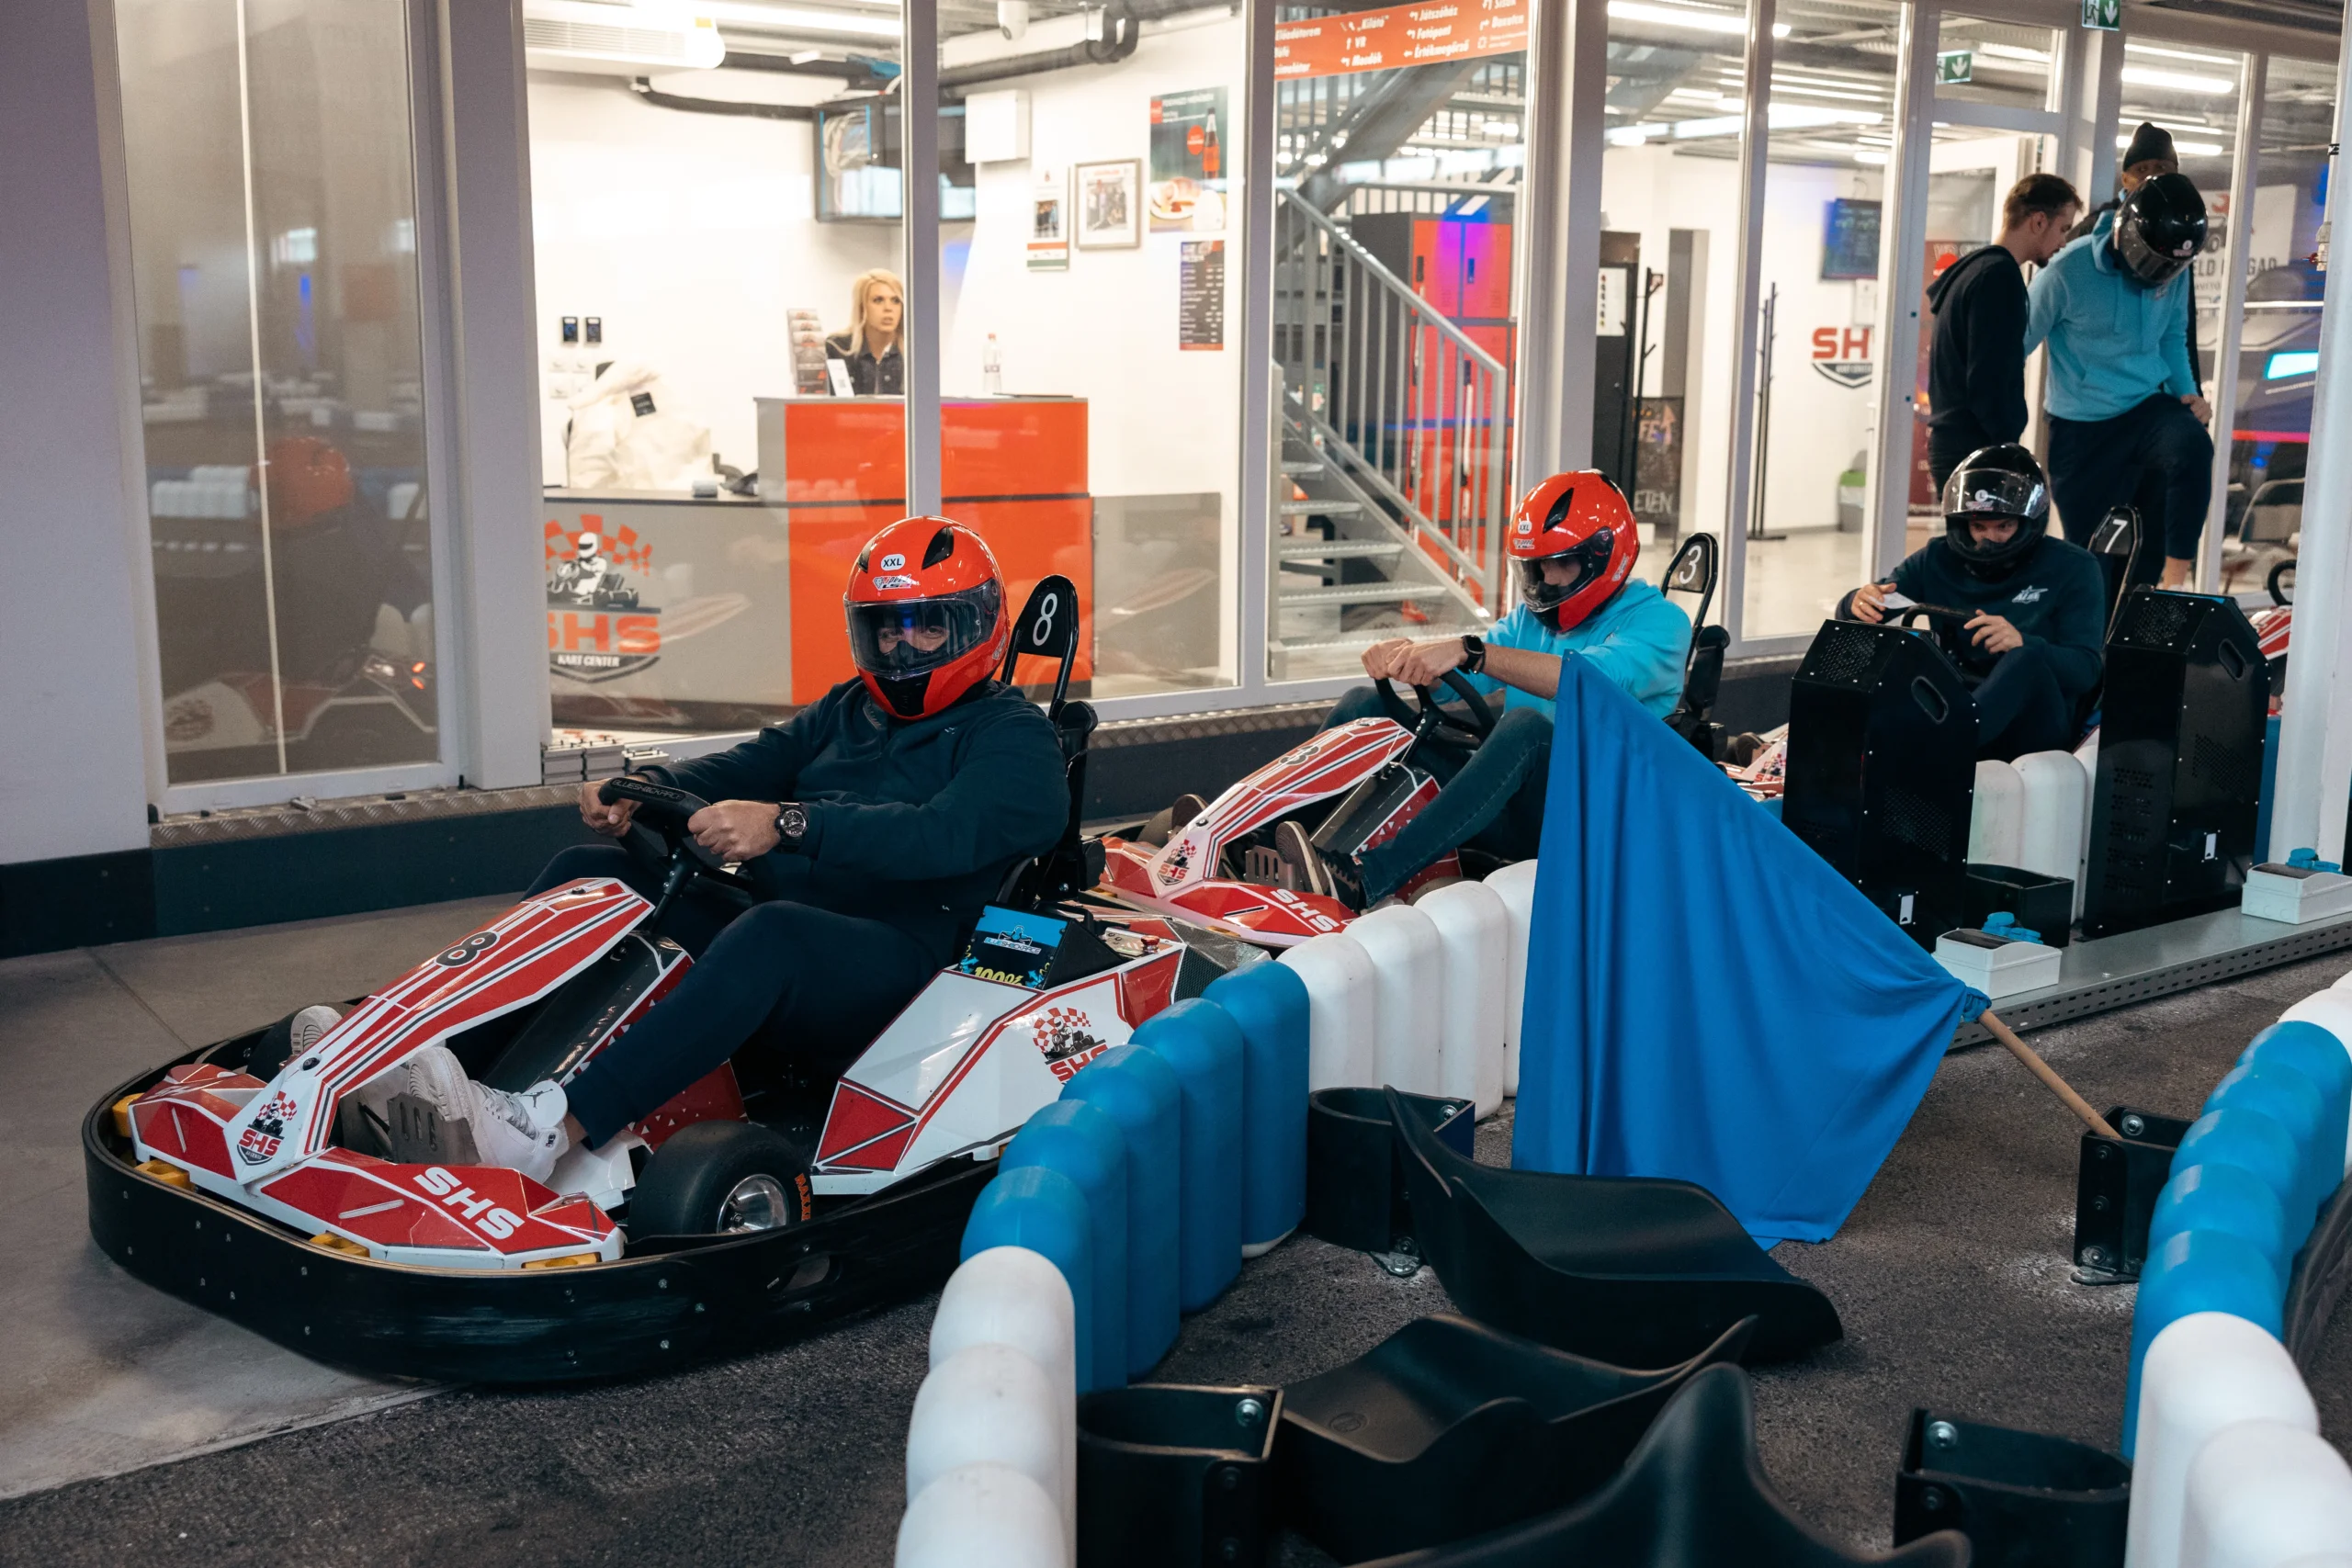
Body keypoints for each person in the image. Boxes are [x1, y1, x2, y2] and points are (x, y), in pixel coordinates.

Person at [356, 517, 1069, 1180]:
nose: (899, 649)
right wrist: (645, 788)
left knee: (771, 934)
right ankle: (434, 1071)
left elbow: (939, 834)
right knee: (592, 874)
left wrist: (789, 823)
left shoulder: (1015, 739)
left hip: (910, 962)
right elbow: (745, 766)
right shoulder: (848, 708)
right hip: (783, 923)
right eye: (884, 630)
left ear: (977, 625)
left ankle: (548, 1131)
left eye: (924, 627)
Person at [1281, 471, 1692, 909]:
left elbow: (1583, 680)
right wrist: (1412, 661)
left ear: (1603, 555)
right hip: (1508, 802)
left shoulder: (1661, 624)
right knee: (1364, 705)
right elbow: (1466, 677)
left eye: (1562, 563)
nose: (1548, 578)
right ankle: (1270, 840)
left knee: (1526, 730)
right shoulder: (1533, 621)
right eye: (1538, 566)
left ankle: (1364, 878)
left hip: (1590, 819)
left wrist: (1470, 651)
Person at [1838, 445, 2107, 761]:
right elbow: (1877, 606)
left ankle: (1938, 748)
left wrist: (2022, 642)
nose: (1989, 538)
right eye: (1978, 527)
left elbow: (2086, 670)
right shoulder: (1937, 558)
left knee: (2025, 659)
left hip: (2036, 720)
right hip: (1956, 699)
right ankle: (1839, 738)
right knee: (1902, 648)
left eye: (2003, 526)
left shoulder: (2074, 567)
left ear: (2029, 521)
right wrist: (1856, 603)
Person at [2026, 171, 2212, 587]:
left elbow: (2172, 337)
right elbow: (2016, 342)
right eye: (2153, 262)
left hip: (2146, 407)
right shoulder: (2065, 272)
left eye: (2170, 266)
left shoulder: (2175, 270)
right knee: (2090, 562)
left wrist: (2188, 393)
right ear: (2125, 234)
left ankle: (2174, 582)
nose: (2160, 274)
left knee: (2193, 447)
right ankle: (2091, 627)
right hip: (2082, 426)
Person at [1923, 173, 2082, 493]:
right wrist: (2006, 446)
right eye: (2063, 229)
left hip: (1955, 444)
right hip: (1976, 451)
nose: (2064, 242)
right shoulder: (1998, 278)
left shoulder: (1974, 270)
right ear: (2039, 221)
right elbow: (1990, 376)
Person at [2067, 122, 2202, 397]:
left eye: (2162, 167)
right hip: (2094, 392)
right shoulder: (2093, 232)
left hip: (2152, 392)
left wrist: (2189, 394)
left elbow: (2180, 332)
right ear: (2125, 179)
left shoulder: (2177, 232)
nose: (2152, 176)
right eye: (2142, 169)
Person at [825, 268, 907, 396]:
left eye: (896, 301)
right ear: (862, 306)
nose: (888, 308)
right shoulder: (837, 348)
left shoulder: (912, 353)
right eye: (878, 300)